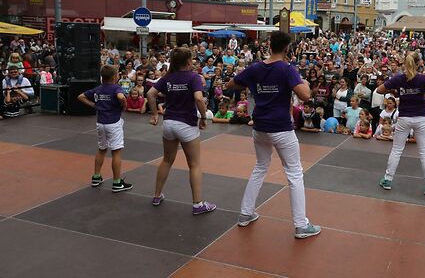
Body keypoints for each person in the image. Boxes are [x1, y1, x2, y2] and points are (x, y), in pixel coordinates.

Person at [226, 31, 320, 239]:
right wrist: (304, 84)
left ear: (269, 46)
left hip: (259, 127)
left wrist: (252, 83)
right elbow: (305, 96)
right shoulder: (287, 69)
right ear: (287, 49)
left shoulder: (256, 67)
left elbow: (231, 84)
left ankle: (245, 213)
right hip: (281, 128)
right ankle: (301, 225)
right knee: (295, 173)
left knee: (260, 167)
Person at [147, 47, 216, 215]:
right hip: (186, 125)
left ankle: (156, 196)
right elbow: (199, 98)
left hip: (169, 123)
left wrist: (155, 114)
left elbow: (150, 94)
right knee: (194, 165)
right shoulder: (193, 77)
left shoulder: (168, 77)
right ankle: (198, 204)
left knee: (167, 160)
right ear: (188, 61)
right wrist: (203, 116)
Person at [376, 51, 425, 195]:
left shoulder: (398, 78)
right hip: (421, 118)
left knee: (396, 150)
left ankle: (388, 180)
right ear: (419, 63)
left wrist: (395, 90)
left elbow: (379, 89)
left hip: (404, 118)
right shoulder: (422, 78)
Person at [77, 65, 132, 192]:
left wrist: (94, 104)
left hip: (100, 123)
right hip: (113, 123)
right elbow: (121, 97)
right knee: (116, 151)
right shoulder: (116, 88)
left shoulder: (98, 89)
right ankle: (117, 183)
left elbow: (80, 96)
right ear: (114, 77)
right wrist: (124, 104)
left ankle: (96, 177)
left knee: (102, 149)